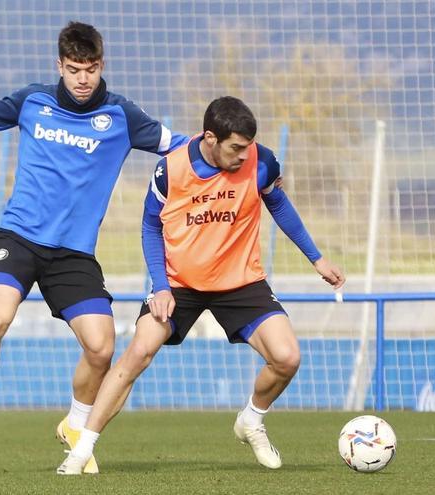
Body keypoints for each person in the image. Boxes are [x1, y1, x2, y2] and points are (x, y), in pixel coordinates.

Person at [0, 21, 188, 472]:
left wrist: (245, 156)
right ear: (60, 64)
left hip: (72, 255)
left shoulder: (122, 117)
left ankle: (75, 424)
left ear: (101, 65)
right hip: (19, 238)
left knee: (101, 346)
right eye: (74, 68)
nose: (82, 78)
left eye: (90, 69)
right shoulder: (32, 101)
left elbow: (183, 147)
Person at [57, 96, 345, 474]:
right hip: (178, 283)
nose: (244, 156)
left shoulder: (262, 161)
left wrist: (317, 258)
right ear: (210, 137)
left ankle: (251, 420)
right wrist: (160, 285)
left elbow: (278, 204)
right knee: (138, 353)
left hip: (241, 280)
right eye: (236, 148)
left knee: (287, 357)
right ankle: (81, 448)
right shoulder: (169, 171)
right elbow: (150, 226)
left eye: (248, 147)